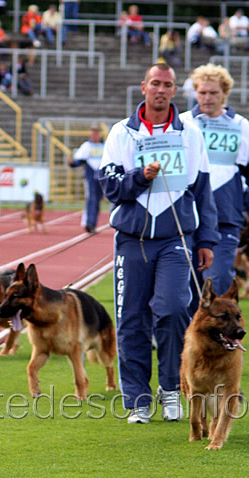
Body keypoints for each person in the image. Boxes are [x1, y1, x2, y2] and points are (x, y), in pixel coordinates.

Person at [98, 63, 219, 425]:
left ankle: (171, 389)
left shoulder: (190, 133)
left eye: (167, 85)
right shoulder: (122, 133)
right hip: (132, 240)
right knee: (131, 319)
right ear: (143, 87)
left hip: (176, 239)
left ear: (174, 91)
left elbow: (202, 190)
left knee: (172, 310)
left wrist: (207, 239)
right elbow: (111, 188)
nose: (161, 90)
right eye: (155, 83)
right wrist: (140, 176)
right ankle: (138, 400)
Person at [180, 64, 249, 311]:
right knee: (185, 287)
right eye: (202, 92)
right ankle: (186, 342)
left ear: (224, 94)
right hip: (188, 217)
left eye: (213, 93)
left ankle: (217, 341)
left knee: (217, 281)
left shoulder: (241, 126)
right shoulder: (183, 123)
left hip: (225, 217)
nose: (207, 98)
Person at [67, 124, 104, 234]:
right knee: (91, 199)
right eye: (92, 134)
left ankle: (94, 223)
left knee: (97, 200)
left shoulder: (105, 146)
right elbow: (79, 160)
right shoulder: (86, 146)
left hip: (102, 178)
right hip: (90, 178)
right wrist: (72, 163)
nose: (93, 136)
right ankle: (89, 223)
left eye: (95, 134)